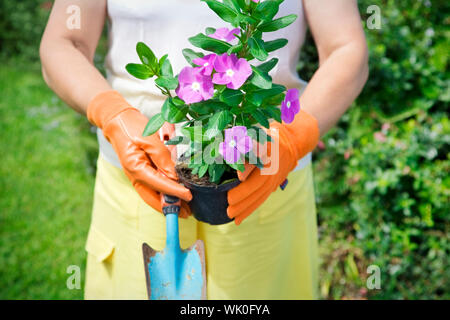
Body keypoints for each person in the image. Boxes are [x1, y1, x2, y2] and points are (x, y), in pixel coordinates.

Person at [40, 0, 368, 299]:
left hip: (264, 183)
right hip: (139, 184)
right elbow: (63, 42)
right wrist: (113, 113)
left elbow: (346, 47)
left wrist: (295, 136)